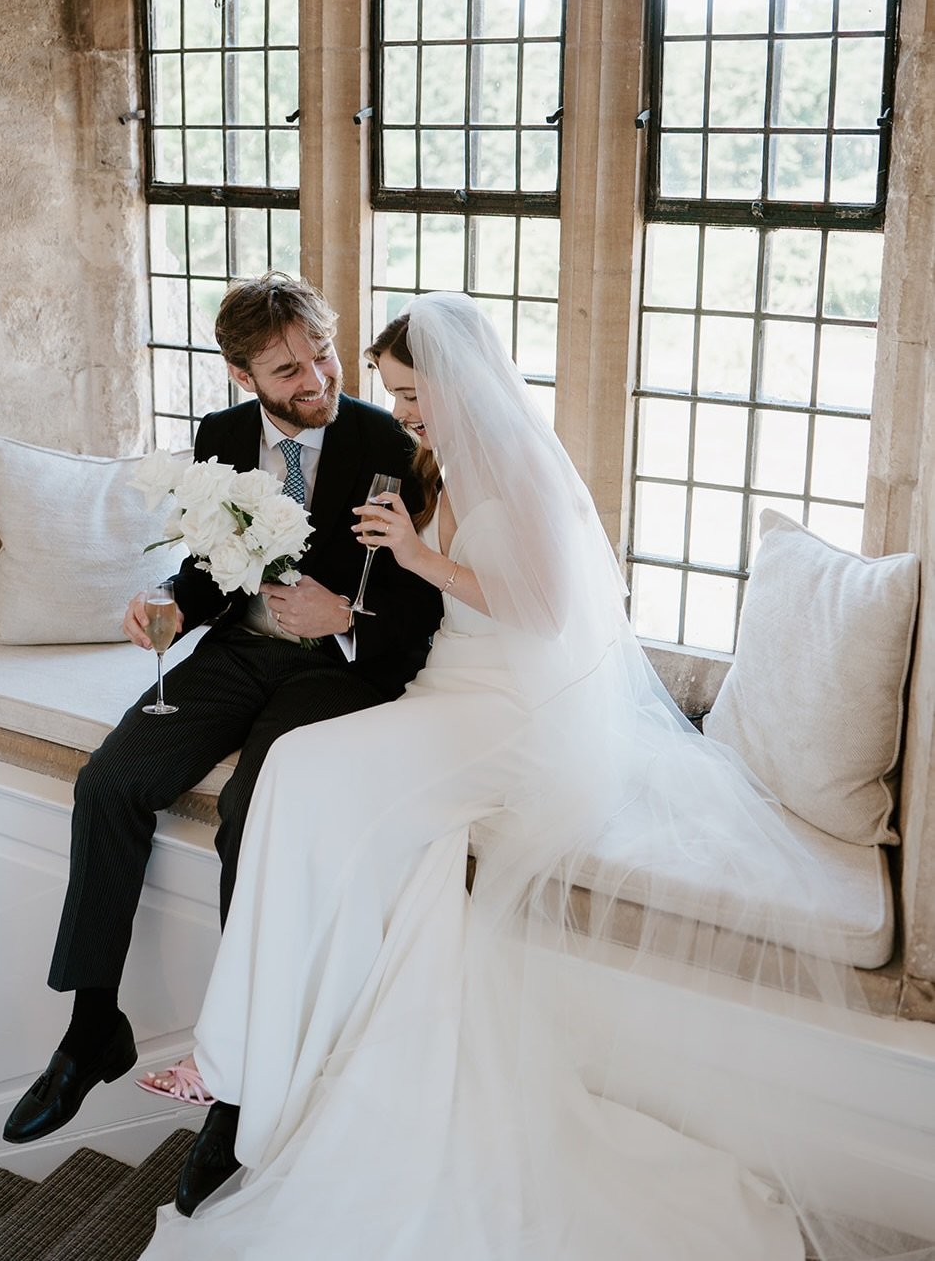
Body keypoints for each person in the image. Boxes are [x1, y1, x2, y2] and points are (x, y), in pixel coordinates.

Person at [134, 291, 934, 1261]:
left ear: (455, 380)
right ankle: (253, 1055)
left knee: (303, 775)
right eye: (394, 393)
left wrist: (420, 557)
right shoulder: (438, 459)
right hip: (444, 686)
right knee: (296, 781)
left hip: (505, 710)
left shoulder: (512, 460)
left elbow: (546, 611)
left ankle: (233, 1061)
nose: (404, 410)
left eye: (411, 392)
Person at [2, 272, 442, 1152]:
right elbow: (208, 572)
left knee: (251, 814)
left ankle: (239, 1074)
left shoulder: (393, 439)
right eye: (286, 370)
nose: (314, 379)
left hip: (339, 673)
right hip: (235, 655)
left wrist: (345, 618)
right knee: (111, 782)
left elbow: (426, 605)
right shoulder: (221, 436)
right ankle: (93, 1028)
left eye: (320, 353)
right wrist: (166, 600)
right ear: (243, 376)